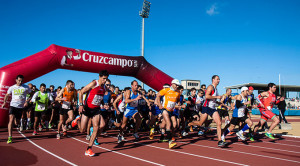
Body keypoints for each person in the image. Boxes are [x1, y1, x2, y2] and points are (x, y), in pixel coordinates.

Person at [188, 75, 226, 147]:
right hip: (206, 107)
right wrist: (217, 97)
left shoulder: (216, 88)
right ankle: (190, 124)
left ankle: (220, 141)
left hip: (212, 108)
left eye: (219, 79)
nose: (219, 80)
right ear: (213, 80)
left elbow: (213, 100)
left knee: (219, 123)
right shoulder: (210, 87)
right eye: (217, 79)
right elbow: (207, 96)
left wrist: (220, 103)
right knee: (200, 123)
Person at [78, 70, 109, 157]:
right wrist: (80, 104)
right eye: (103, 79)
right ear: (99, 77)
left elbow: (100, 98)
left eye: (106, 79)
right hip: (87, 108)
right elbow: (81, 92)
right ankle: (77, 120)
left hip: (96, 110)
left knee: (98, 127)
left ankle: (89, 149)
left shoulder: (104, 88)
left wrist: (104, 105)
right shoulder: (94, 83)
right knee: (82, 130)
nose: (104, 81)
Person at [1, 75, 31, 144]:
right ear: (16, 80)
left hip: (20, 107)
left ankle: (16, 121)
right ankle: (10, 137)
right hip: (13, 105)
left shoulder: (26, 87)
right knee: (10, 120)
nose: (20, 82)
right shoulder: (12, 87)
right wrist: (4, 102)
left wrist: (27, 101)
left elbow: (30, 94)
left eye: (21, 81)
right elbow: (7, 95)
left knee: (16, 122)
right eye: (19, 80)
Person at [155, 79, 181, 149]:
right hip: (164, 109)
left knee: (164, 125)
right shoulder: (166, 90)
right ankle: (170, 142)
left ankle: (156, 126)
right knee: (169, 124)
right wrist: (160, 104)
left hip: (171, 111)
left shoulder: (178, 92)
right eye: (176, 85)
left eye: (178, 85)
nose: (177, 86)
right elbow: (158, 95)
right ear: (172, 84)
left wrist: (179, 105)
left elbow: (178, 100)